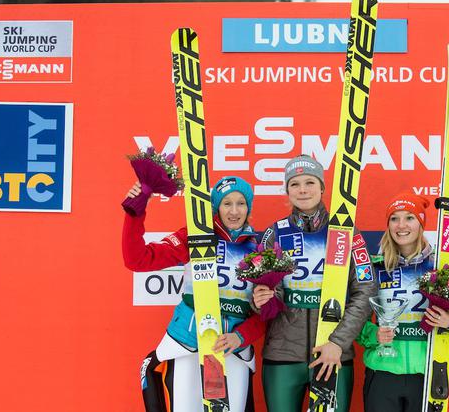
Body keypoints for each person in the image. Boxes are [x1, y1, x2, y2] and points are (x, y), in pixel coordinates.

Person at [122, 176, 265, 412]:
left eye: (241, 203)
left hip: (232, 350)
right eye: (226, 203)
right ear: (216, 206)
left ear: (248, 207)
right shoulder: (195, 236)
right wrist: (134, 213)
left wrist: (240, 337)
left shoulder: (261, 247)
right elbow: (137, 259)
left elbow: (268, 310)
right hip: (188, 343)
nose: (234, 211)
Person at [252, 154, 377, 412]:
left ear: (322, 187)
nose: (303, 190)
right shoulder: (273, 233)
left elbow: (365, 291)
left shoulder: (347, 233)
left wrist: (338, 342)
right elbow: (260, 296)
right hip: (282, 356)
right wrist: (260, 301)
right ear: (287, 191)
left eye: (310, 182)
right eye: (295, 184)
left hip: (332, 354)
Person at [356, 192, 449, 412]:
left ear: (421, 223)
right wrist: (373, 335)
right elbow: (356, 319)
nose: (401, 225)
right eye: (394, 218)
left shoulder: (441, 268)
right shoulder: (375, 268)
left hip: (426, 373)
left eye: (410, 217)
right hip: (382, 373)